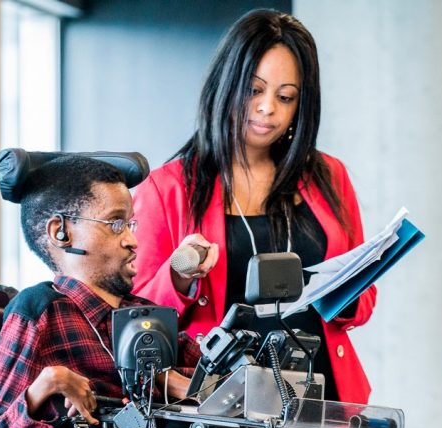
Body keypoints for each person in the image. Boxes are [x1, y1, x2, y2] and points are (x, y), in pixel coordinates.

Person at [132, 9, 376, 404]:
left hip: (322, 397)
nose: (268, 108)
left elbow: (362, 305)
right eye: (254, 90)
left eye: (285, 97)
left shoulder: (329, 176)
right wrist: (179, 275)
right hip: (219, 401)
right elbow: (139, 322)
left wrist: (349, 288)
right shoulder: (167, 188)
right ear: (226, 85)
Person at [0, 156, 201, 428]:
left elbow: (232, 389)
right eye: (115, 223)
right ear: (61, 232)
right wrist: (49, 382)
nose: (132, 240)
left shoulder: (144, 312)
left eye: (131, 224)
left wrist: (179, 383)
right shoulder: (41, 311)